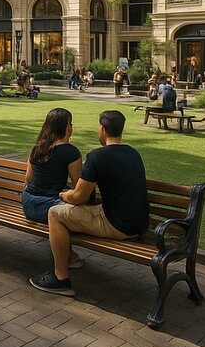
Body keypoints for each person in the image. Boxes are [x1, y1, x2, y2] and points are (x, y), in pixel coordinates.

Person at [30, 109, 148, 296]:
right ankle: (70, 256)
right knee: (74, 212)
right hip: (138, 223)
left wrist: (63, 195)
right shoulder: (134, 153)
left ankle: (61, 278)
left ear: (101, 129)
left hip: (116, 225)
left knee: (54, 213)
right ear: (121, 130)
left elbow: (79, 198)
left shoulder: (97, 156)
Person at [22, 108, 82, 266]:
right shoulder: (71, 152)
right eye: (70, 123)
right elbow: (78, 186)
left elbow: (28, 178)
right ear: (66, 127)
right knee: (72, 210)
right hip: (51, 209)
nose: (71, 127)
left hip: (28, 203)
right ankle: (67, 254)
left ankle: (68, 252)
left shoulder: (37, 148)